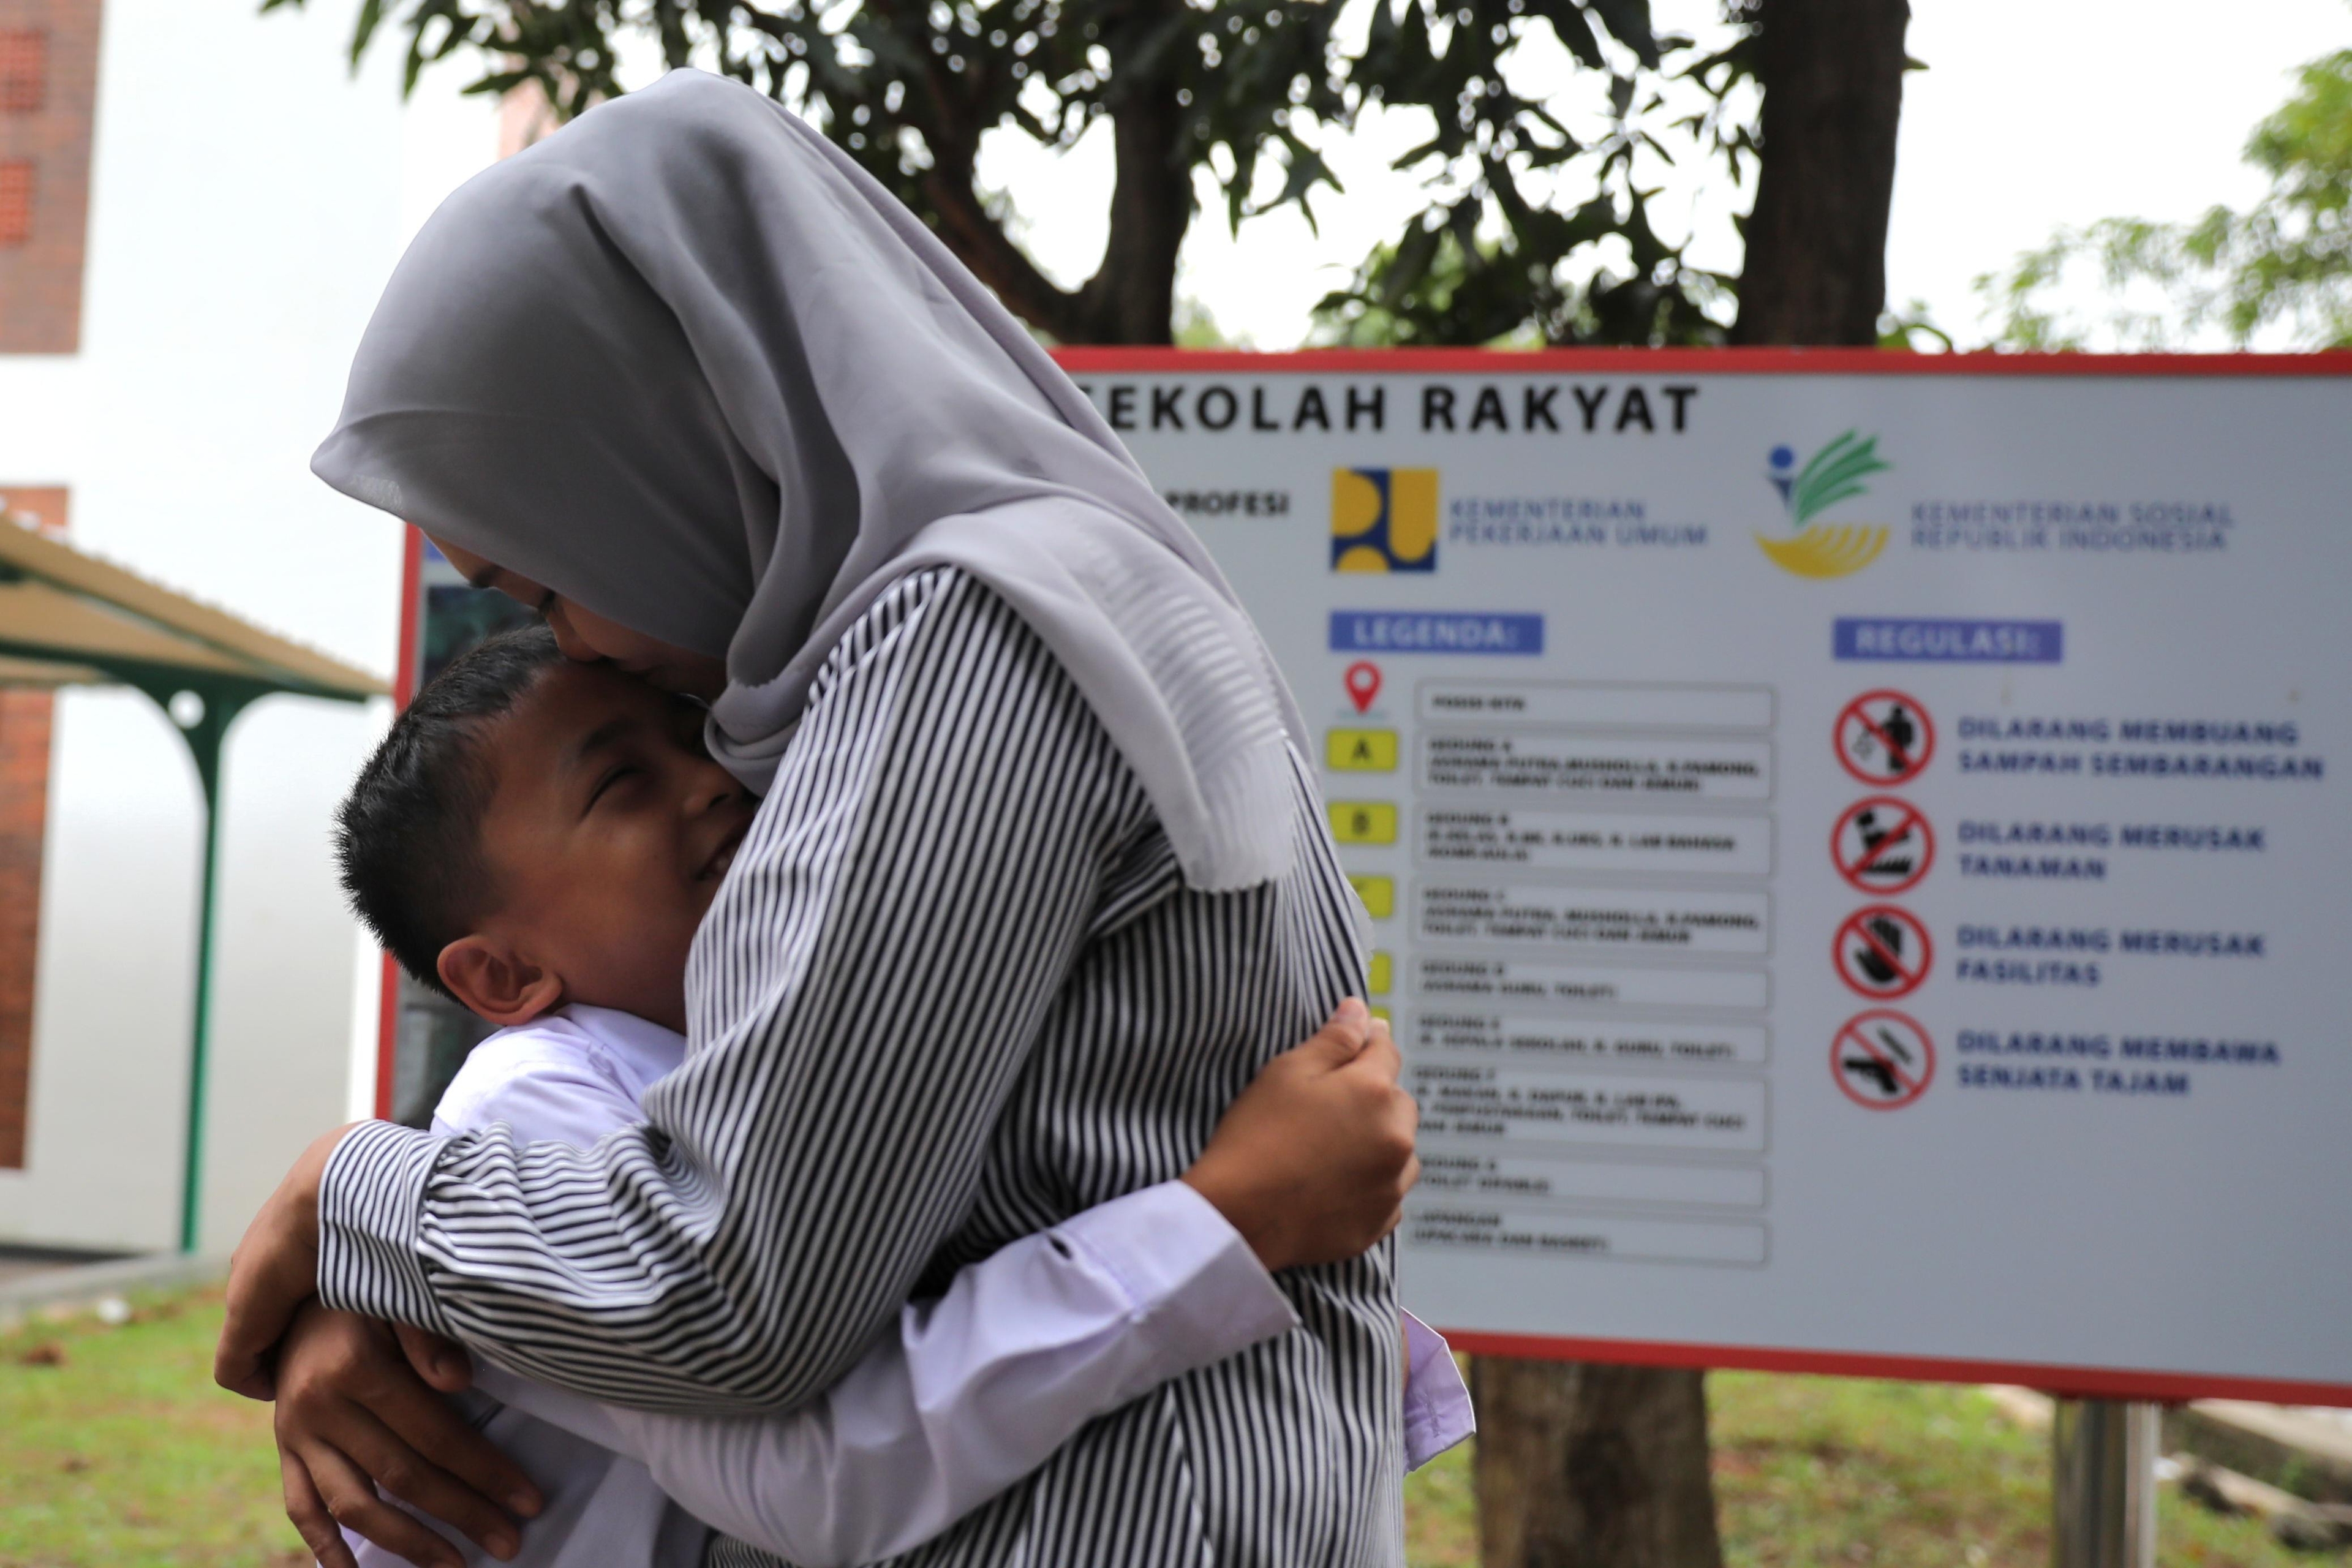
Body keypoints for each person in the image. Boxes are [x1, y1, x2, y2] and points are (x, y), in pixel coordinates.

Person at [220, 67, 1416, 1568]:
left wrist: (361, 1195)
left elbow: (730, 1297)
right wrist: (408, 1292)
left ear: (665, 433)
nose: (579, 638)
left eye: (543, 580)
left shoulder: (962, 637)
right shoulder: (1055, 585)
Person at [307, 624, 1457, 1568]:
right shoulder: (534, 1105)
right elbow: (825, 1470)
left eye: (695, 736)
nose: (714, 783)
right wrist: (1229, 1220)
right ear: (503, 977)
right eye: (622, 782)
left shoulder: (761, 1056)